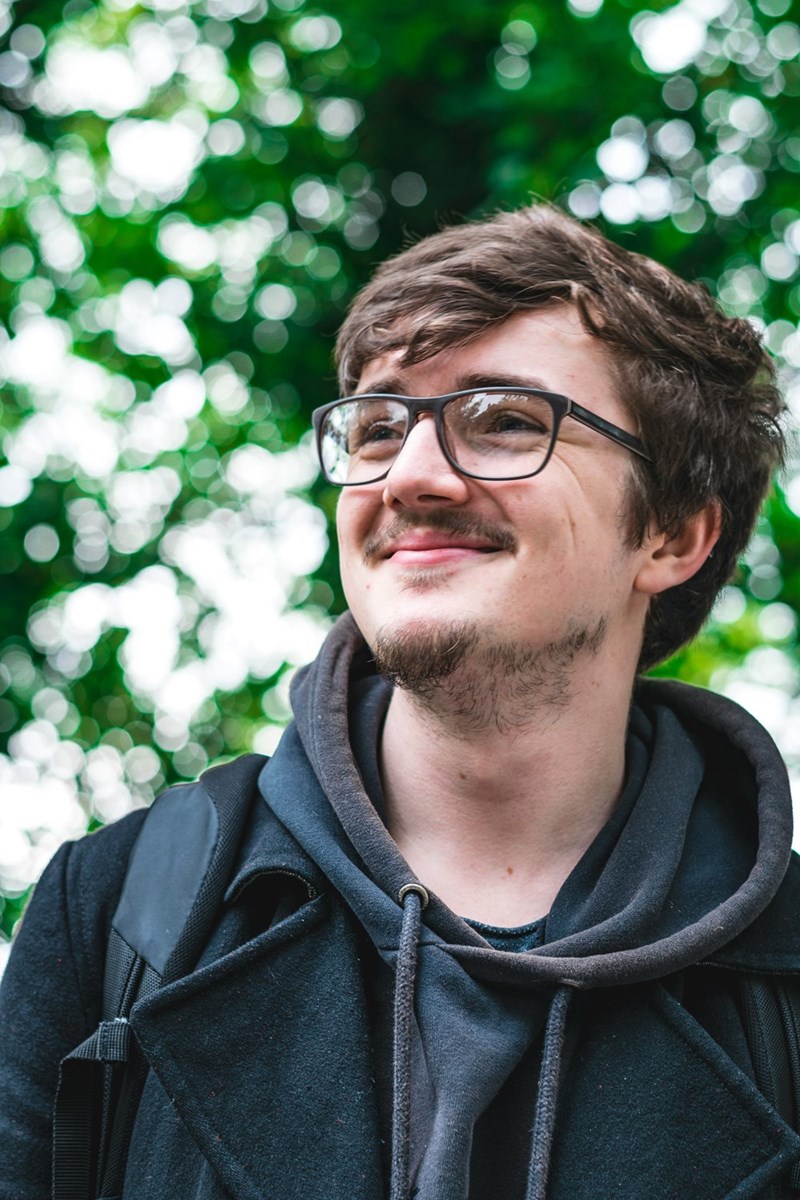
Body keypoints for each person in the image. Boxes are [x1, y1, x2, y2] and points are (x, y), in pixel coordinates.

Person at [2, 203, 799, 1200]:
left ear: (671, 535)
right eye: (377, 426)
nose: (410, 476)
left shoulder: (783, 980)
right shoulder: (115, 913)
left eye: (505, 420)